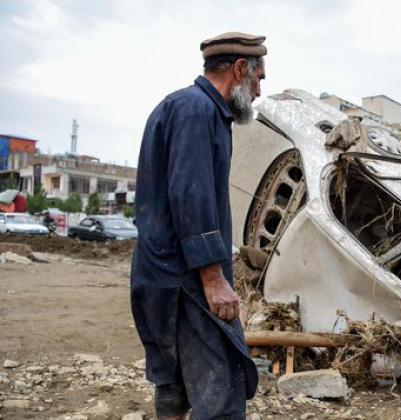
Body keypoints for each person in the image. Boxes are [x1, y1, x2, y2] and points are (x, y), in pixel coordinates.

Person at [131, 32, 266, 419]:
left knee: (173, 386)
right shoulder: (197, 111)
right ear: (241, 69)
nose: (258, 90)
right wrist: (213, 278)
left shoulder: (183, 107)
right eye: (259, 78)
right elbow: (191, 197)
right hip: (187, 282)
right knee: (220, 390)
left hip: (160, 274)